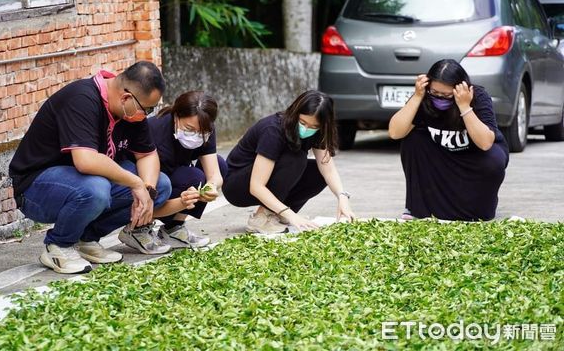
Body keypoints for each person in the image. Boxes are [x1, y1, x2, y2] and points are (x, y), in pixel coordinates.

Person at [9, 61, 172, 274]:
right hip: (36, 188)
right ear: (126, 97)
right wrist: (135, 183)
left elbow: (147, 154)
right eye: (147, 109)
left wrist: (147, 190)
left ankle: (87, 239)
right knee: (96, 189)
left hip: (86, 182)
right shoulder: (82, 99)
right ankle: (59, 246)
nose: (147, 115)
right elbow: (85, 160)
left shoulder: (132, 111)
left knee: (161, 184)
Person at [388, 59, 509, 221]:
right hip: (442, 155)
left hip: (473, 158)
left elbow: (485, 143)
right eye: (435, 93)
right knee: (413, 140)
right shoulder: (425, 96)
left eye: (447, 95)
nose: (440, 99)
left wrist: (465, 106)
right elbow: (395, 132)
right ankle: (417, 207)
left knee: (493, 159)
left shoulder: (477, 96)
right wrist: (417, 97)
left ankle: (476, 209)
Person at [222, 90, 357, 234]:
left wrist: (342, 198)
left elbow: (328, 169)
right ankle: (261, 219)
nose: (306, 129)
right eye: (303, 122)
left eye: (313, 127)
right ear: (295, 113)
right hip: (237, 185)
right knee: (296, 159)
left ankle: (277, 214)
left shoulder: (319, 132)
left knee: (318, 173)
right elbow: (256, 186)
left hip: (262, 181)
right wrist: (292, 215)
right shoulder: (273, 130)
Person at [119, 91, 227, 252]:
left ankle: (173, 228)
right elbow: (153, 191)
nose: (196, 136)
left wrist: (211, 187)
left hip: (170, 180)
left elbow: (215, 174)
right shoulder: (156, 132)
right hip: (142, 189)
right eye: (190, 129)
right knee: (186, 179)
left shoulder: (205, 127)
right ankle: (138, 227)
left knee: (217, 164)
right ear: (176, 116)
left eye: (201, 132)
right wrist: (181, 202)